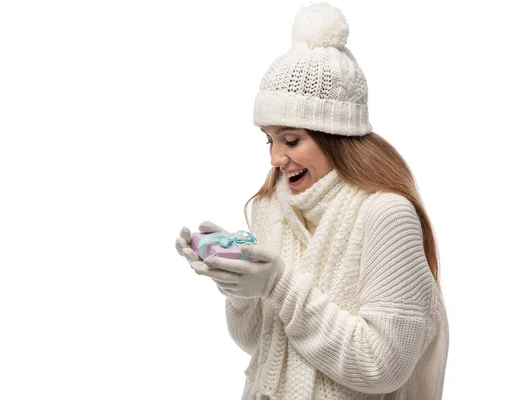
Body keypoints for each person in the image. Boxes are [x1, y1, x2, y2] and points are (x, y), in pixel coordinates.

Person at [175, 2, 449, 399]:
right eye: (269, 140)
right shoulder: (272, 208)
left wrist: (278, 284)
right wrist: (239, 287)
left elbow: (382, 366)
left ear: (334, 135)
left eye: (291, 140)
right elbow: (259, 343)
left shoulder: (386, 214)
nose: (275, 158)